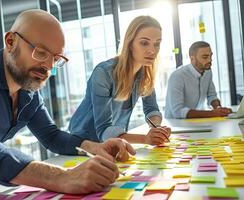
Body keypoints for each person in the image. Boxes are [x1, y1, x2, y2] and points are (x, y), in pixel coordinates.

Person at [0, 9, 136, 198]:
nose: (49, 66)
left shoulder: (28, 93)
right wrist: (61, 177)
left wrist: (95, 147)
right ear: (10, 42)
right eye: (41, 52)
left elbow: (52, 137)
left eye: (56, 58)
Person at [68, 16, 171, 145]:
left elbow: (151, 109)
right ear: (130, 44)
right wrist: (145, 139)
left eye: (157, 44)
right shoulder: (104, 73)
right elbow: (104, 129)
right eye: (144, 43)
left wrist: (156, 128)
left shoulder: (145, 73)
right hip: (83, 142)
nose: (152, 50)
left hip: (113, 143)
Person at [165, 41, 232, 119]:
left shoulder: (208, 71)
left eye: (210, 56)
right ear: (192, 59)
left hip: (195, 123)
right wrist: (212, 113)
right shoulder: (177, 76)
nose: (209, 60)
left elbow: (211, 96)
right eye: (205, 57)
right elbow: (178, 112)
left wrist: (218, 108)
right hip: (175, 126)